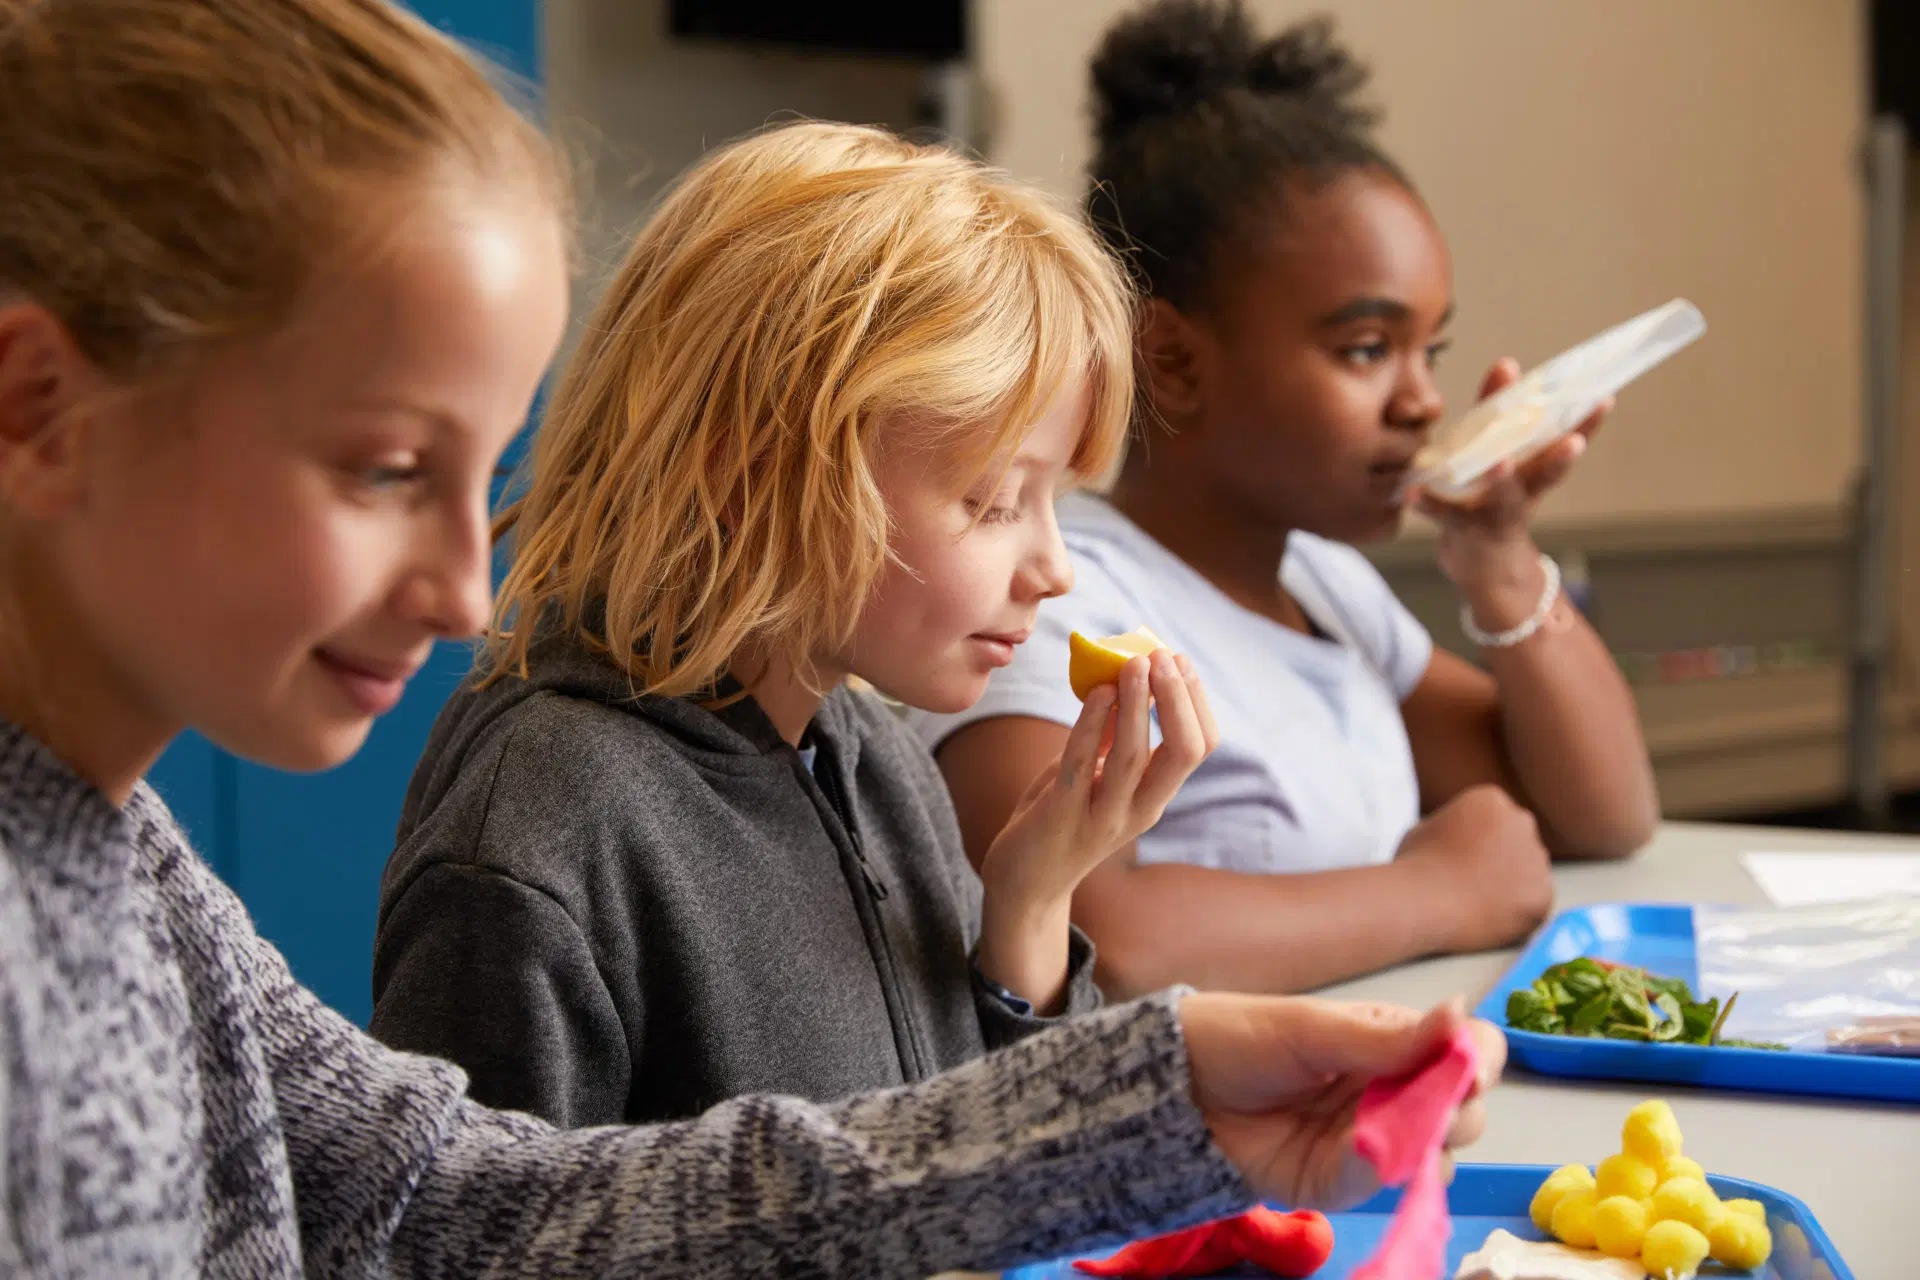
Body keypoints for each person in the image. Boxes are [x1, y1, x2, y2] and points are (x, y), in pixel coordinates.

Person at [0, 1, 1503, 1274]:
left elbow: (468, 1200)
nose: (468, 593)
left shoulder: (136, 870)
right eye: (387, 469)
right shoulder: (538, 811)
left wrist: (1140, 1102)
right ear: (35, 407)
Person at [370, 120, 1217, 1127]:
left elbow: (986, 1170)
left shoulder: (869, 754)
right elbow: (463, 1226)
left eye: (1055, 501)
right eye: (992, 501)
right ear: (751, 478)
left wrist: (1032, 900)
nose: (1055, 568)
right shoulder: (547, 827)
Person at [915, 0, 1660, 999]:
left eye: (1427, 350)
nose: (1424, 400)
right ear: (1172, 359)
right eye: (1365, 349)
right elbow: (1093, 938)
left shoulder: (1322, 581)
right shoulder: (1059, 600)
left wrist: (1501, 559)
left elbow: (1596, 814)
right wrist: (1436, 890)